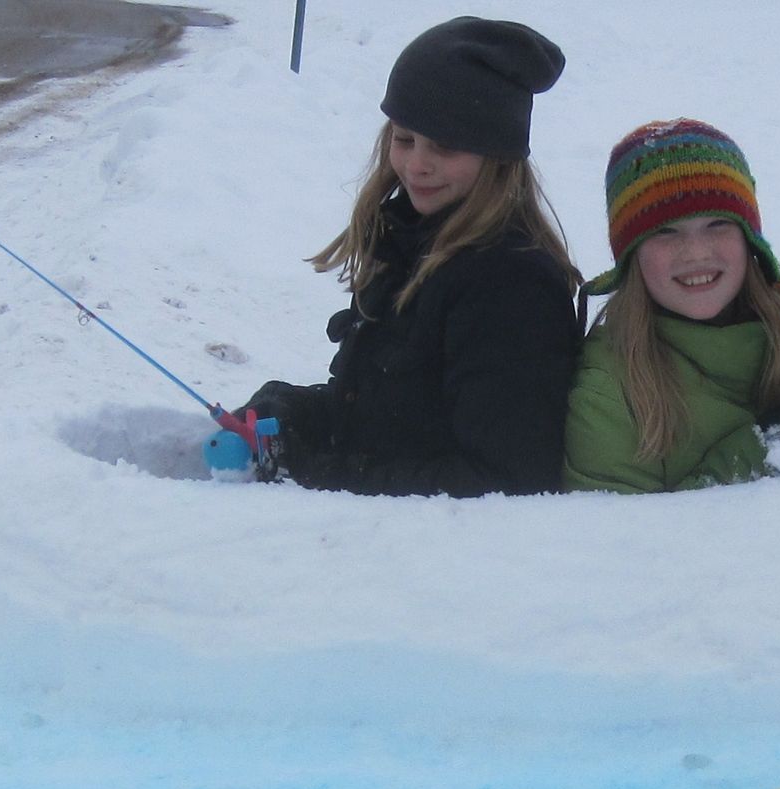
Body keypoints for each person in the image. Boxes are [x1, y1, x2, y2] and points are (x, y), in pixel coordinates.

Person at [244, 17, 581, 496]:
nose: (416, 164)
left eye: (444, 146)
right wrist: (291, 415)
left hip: (435, 561)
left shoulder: (510, 285)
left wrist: (318, 473)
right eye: (405, 139)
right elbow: (390, 419)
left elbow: (506, 481)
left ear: (497, 153)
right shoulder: (412, 241)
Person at [562, 119, 780, 494]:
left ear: (750, 241)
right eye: (665, 231)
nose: (695, 252)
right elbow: (616, 544)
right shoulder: (608, 389)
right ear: (630, 253)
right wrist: (764, 456)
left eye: (717, 225)